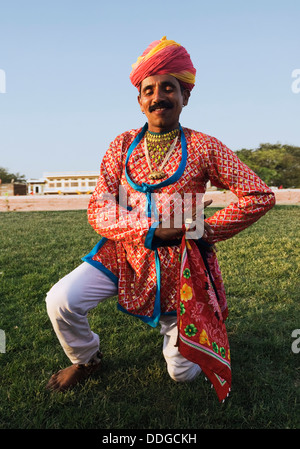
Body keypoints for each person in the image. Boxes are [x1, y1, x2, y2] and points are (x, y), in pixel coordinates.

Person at [45, 37, 275, 396]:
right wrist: (150, 228)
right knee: (61, 300)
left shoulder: (205, 146)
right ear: (139, 102)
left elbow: (259, 195)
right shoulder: (121, 145)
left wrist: (203, 229)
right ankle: (86, 359)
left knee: (181, 374)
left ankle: (199, 330)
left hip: (179, 266)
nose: (158, 97)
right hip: (123, 253)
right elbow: (99, 206)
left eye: (169, 88)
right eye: (149, 90)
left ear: (185, 96)